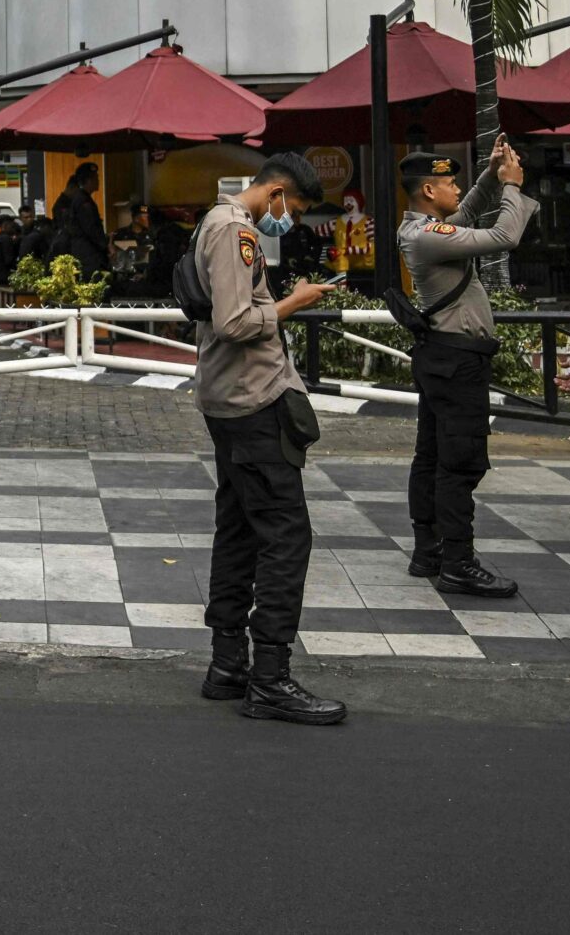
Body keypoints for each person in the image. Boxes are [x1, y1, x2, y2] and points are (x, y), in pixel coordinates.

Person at [193, 152, 345, 725]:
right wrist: (293, 303)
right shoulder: (236, 230)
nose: (292, 220)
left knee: (237, 530)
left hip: (226, 400)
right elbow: (235, 323)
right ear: (277, 191)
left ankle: (227, 664)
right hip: (253, 400)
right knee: (286, 537)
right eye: (295, 208)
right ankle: (271, 679)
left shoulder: (214, 222)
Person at [395, 140, 535, 598]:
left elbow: (467, 214)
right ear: (429, 190)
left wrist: (490, 177)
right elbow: (503, 238)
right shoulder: (425, 235)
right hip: (457, 363)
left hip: (444, 358)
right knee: (459, 465)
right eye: (449, 182)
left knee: (432, 456)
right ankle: (457, 562)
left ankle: (428, 551)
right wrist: (512, 187)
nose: (456, 188)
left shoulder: (426, 229)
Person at [51, 162, 108, 274]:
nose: (98, 181)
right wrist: (105, 245)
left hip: (84, 251)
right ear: (89, 180)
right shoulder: (83, 201)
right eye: (96, 178)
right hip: (88, 254)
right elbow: (91, 228)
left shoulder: (81, 199)